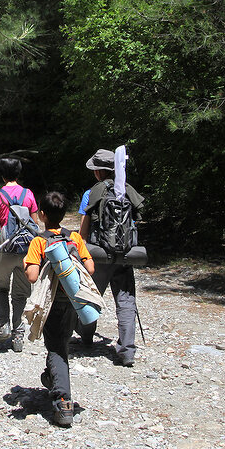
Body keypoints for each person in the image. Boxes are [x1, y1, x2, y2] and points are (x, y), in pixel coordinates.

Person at [23, 190, 95, 427]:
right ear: (64, 214)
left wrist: (27, 264)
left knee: (56, 349)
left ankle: (63, 401)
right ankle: (51, 376)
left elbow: (33, 276)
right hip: (74, 301)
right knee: (59, 342)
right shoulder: (74, 238)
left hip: (51, 303)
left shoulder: (39, 241)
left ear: (41, 215)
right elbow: (91, 269)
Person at [77, 148, 145, 366]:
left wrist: (81, 251)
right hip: (125, 254)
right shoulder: (127, 190)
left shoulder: (92, 193)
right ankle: (127, 351)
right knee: (126, 301)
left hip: (99, 254)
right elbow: (135, 223)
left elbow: (84, 229)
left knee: (90, 297)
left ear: (98, 172)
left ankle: (86, 336)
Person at [0, 158, 41, 352]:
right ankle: (18, 337)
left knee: (1, 288)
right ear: (18, 173)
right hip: (25, 252)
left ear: (1, 174)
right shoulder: (28, 194)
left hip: (3, 249)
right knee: (20, 293)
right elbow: (35, 226)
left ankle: (3, 325)